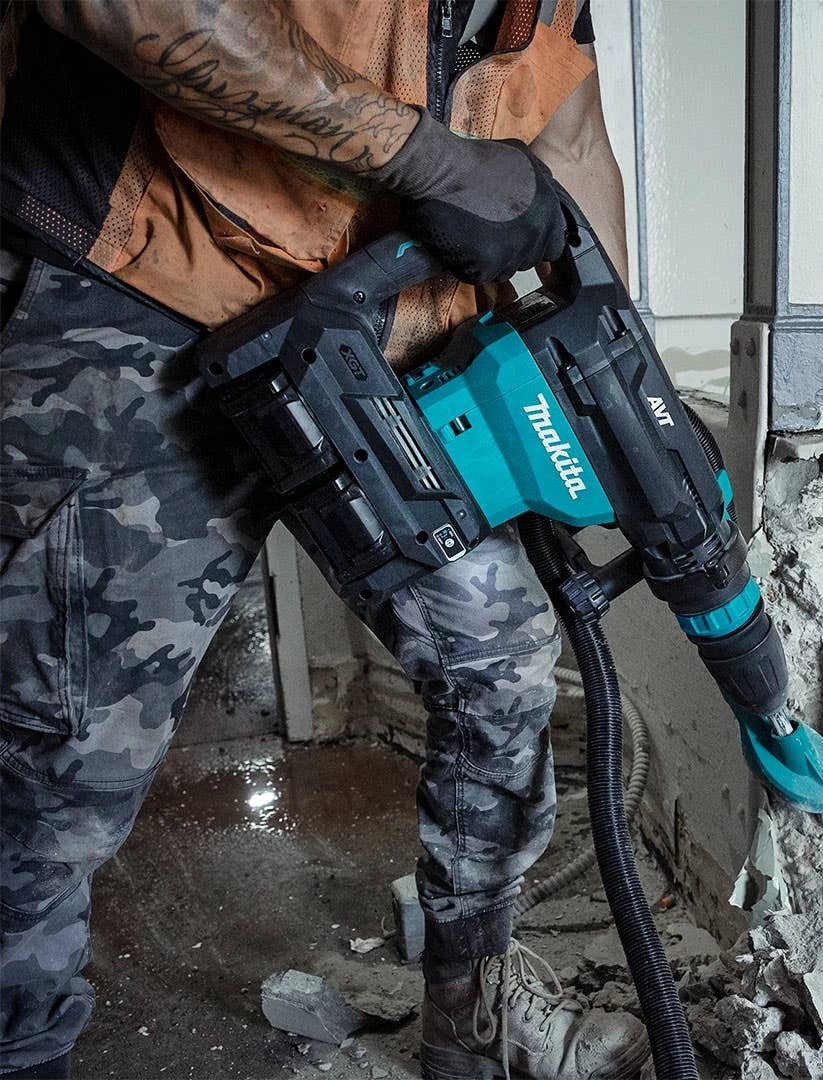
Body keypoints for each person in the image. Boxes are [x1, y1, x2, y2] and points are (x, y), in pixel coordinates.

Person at [0, 2, 648, 1078]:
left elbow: (574, 146)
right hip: (142, 282)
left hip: (381, 330)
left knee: (501, 662)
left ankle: (470, 1019)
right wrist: (438, 162)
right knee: (57, 746)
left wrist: (619, 381)